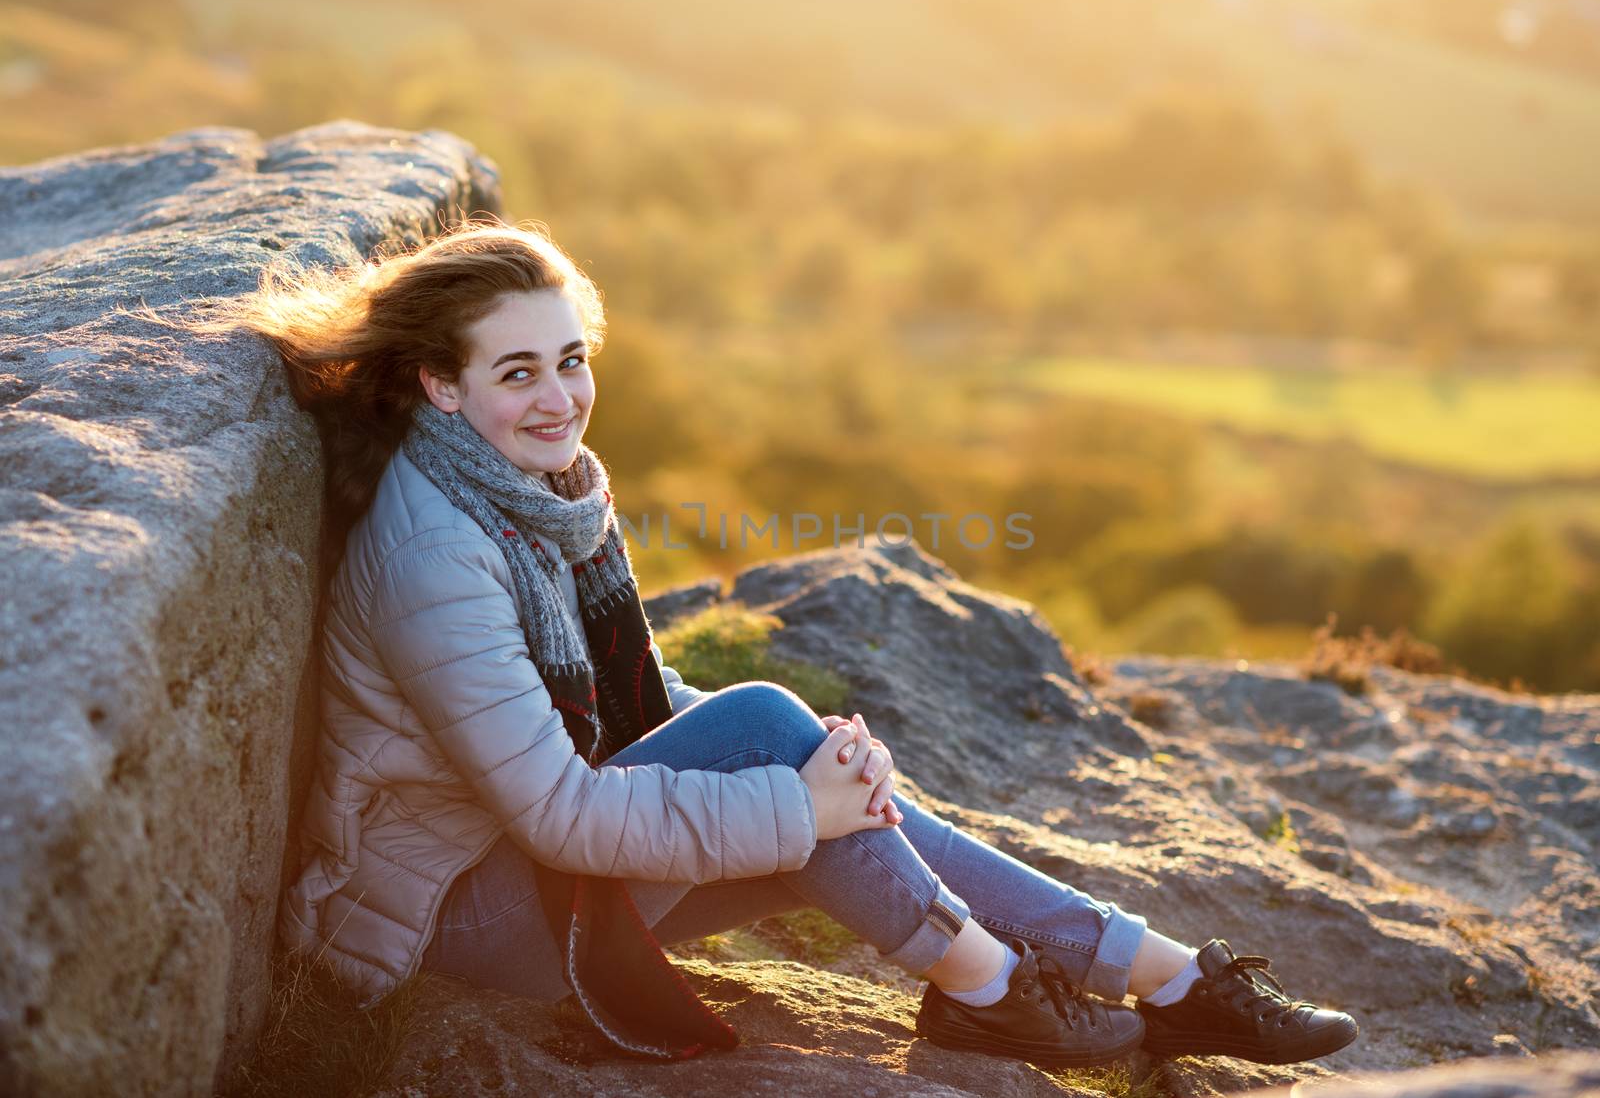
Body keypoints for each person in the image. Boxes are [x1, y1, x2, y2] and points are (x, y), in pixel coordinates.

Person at [172, 219, 1358, 1069]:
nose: (557, 397)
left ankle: (1151, 975)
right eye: (516, 372)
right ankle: (998, 987)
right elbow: (560, 816)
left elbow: (635, 699)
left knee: (786, 752)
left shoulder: (536, 491)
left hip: (523, 872)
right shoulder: (441, 552)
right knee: (781, 762)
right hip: (452, 917)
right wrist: (801, 807)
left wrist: (818, 786)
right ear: (438, 383)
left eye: (572, 360)